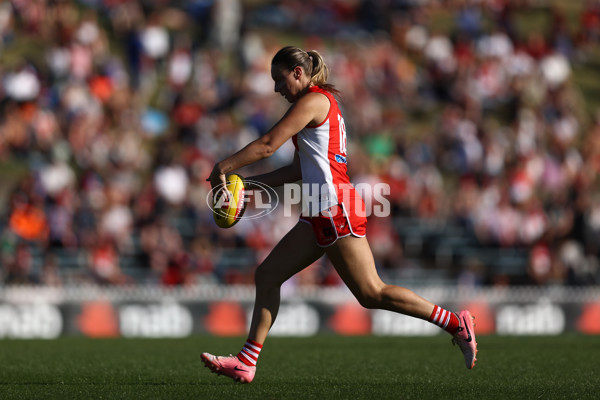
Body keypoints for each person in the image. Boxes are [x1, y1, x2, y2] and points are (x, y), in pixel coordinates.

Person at [202, 46, 477, 383]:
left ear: (299, 73)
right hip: (320, 208)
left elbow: (268, 144)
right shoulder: (314, 104)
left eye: (280, 79)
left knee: (371, 292)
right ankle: (247, 362)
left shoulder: (314, 101)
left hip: (334, 207)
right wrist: (245, 184)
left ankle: (455, 323)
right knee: (268, 275)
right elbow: (296, 170)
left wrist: (223, 167)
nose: (277, 88)